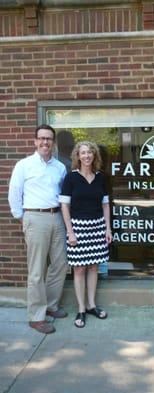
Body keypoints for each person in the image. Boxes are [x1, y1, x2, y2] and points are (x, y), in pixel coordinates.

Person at [8, 124, 68, 334]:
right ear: (35, 141)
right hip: (34, 217)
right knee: (36, 271)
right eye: (41, 138)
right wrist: (23, 217)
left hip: (57, 217)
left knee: (60, 264)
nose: (45, 142)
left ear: (53, 142)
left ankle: (50, 306)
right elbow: (14, 193)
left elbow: (63, 195)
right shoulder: (24, 165)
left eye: (49, 139)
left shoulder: (59, 167)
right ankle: (36, 316)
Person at [59, 141, 112, 328]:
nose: (87, 155)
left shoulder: (100, 178)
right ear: (77, 156)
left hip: (97, 227)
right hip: (78, 228)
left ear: (94, 155)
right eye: (83, 153)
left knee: (93, 268)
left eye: (90, 152)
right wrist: (70, 231)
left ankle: (92, 305)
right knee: (79, 269)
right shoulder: (71, 178)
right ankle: (81, 309)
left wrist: (108, 228)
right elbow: (64, 206)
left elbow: (105, 205)